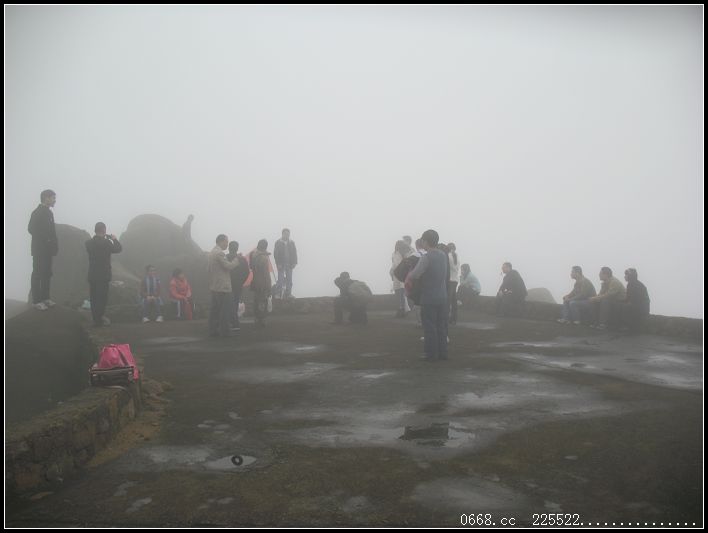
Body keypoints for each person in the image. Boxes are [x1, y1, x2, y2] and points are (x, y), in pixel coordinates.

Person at [409, 229, 449, 361]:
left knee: (430, 327)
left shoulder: (426, 257)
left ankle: (431, 355)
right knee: (441, 327)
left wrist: (409, 273)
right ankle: (443, 353)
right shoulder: (443, 255)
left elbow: (415, 275)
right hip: (442, 296)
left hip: (429, 298)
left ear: (425, 241)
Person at [85, 222, 122, 327]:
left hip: (93, 274)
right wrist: (114, 239)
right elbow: (118, 249)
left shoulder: (88, 243)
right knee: (102, 298)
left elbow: (92, 245)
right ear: (104, 230)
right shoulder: (107, 243)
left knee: (94, 298)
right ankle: (100, 318)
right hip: (104, 275)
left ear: (95, 230)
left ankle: (95, 319)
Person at [28, 189, 58, 310]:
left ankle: (46, 298)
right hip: (39, 250)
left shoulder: (49, 213)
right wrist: (46, 239)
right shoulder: (37, 212)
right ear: (46, 198)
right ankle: (36, 301)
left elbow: (52, 232)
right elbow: (31, 228)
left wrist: (54, 245)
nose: (55, 200)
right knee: (37, 273)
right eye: (53, 198)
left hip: (48, 250)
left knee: (47, 273)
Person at [208, 234, 240, 337]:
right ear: (221, 241)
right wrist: (237, 259)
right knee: (224, 310)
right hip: (223, 287)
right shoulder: (219, 253)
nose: (227, 244)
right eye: (226, 241)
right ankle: (225, 331)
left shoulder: (212, 252)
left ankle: (213, 330)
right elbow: (228, 266)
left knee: (214, 310)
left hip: (215, 285)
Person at [250, 239, 272, 327]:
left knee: (256, 300)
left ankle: (256, 318)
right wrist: (269, 286)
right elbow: (266, 273)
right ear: (265, 247)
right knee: (263, 301)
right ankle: (262, 319)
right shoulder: (264, 258)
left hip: (255, 281)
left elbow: (251, 267)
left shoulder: (253, 255)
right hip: (263, 282)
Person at [227, 241, 249, 330]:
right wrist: (241, 282)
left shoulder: (225, 258)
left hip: (227, 284)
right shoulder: (242, 259)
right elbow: (246, 272)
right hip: (238, 285)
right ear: (237, 248)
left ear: (229, 248)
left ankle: (231, 322)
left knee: (226, 303)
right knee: (235, 303)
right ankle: (234, 322)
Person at [391, 240, 413, 318]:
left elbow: (395, 264)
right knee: (401, 293)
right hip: (400, 275)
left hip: (398, 274)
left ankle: (401, 309)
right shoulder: (402, 254)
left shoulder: (396, 254)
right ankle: (403, 309)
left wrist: (391, 271)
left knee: (399, 293)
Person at [273, 228, 297, 299]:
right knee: (280, 279)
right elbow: (275, 254)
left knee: (289, 279)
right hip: (281, 264)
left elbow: (294, 253)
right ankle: (278, 293)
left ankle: (288, 294)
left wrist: (294, 262)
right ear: (282, 234)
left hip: (290, 264)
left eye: (288, 234)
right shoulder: (278, 242)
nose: (287, 235)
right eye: (286, 234)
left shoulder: (292, 242)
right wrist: (278, 263)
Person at [447, 243, 460, 325]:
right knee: (454, 300)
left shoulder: (448, 255)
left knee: (448, 300)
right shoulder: (457, 256)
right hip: (455, 280)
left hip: (450, 279)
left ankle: (447, 317)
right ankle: (454, 318)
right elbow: (456, 268)